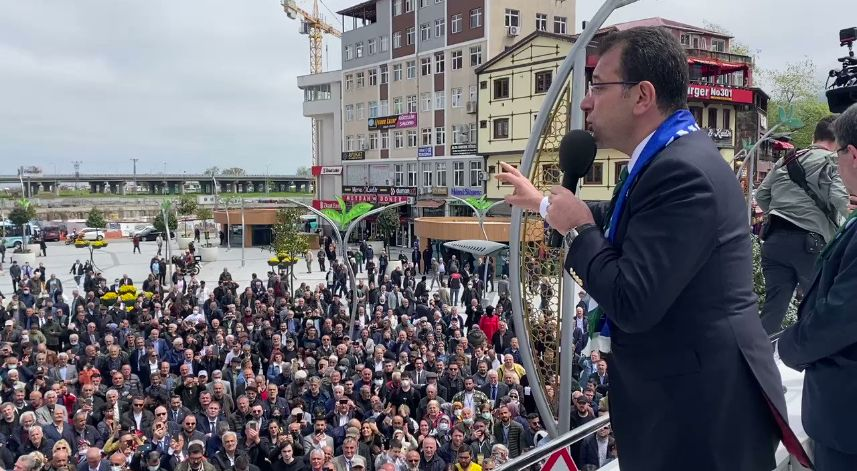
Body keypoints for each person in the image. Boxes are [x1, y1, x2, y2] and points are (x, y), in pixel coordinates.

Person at [496, 26, 809, 470]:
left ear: (642, 95)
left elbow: (632, 299)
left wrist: (579, 229)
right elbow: (631, 223)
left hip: (702, 420)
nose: (585, 102)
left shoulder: (681, 172)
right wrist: (545, 203)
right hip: (692, 405)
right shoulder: (671, 159)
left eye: (598, 86)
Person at [778, 103, 857, 469]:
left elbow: (838, 317)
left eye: (838, 154)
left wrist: (789, 346)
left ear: (852, 155)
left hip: (846, 425)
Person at [755, 115, 850, 334]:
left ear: (815, 136)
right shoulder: (831, 161)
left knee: (773, 309)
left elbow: (761, 195)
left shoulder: (787, 159)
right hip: (810, 246)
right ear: (838, 139)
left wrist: (784, 211)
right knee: (818, 306)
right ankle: (814, 354)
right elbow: (840, 200)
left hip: (774, 241)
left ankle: (757, 354)